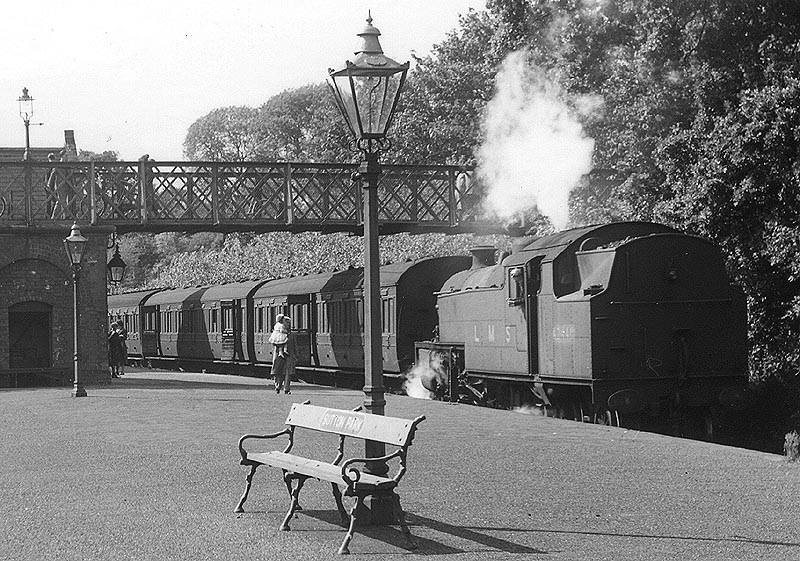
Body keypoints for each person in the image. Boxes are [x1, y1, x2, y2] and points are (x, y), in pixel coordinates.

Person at [272, 315, 298, 395]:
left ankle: (286, 389)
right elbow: (274, 342)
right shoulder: (277, 332)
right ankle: (278, 386)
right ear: (282, 323)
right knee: (279, 372)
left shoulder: (291, 334)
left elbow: (294, 344)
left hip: (289, 355)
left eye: (289, 323)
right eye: (287, 322)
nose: (288, 324)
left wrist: (296, 354)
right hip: (279, 355)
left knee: (288, 372)